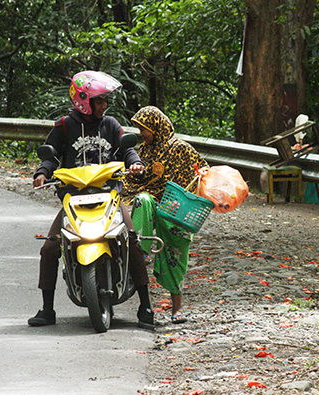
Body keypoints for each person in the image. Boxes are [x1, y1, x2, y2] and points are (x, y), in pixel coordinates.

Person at [29, 70, 155, 329]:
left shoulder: (111, 125)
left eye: (105, 101)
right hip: (73, 198)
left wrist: (136, 164)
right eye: (99, 101)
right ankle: (47, 308)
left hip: (109, 195)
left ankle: (145, 305)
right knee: (50, 248)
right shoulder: (64, 126)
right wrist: (42, 173)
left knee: (132, 240)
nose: (104, 106)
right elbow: (50, 156)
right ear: (83, 100)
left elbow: (127, 148)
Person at [122, 105, 208, 324]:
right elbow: (133, 180)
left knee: (175, 259)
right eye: (140, 129)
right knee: (141, 199)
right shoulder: (143, 151)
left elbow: (203, 169)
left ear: (156, 126)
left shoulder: (180, 148)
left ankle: (177, 309)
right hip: (151, 206)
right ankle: (140, 248)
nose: (142, 134)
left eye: (144, 129)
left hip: (176, 211)